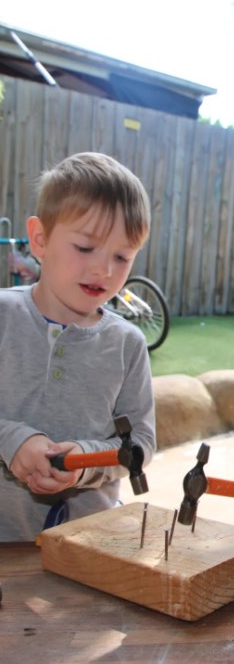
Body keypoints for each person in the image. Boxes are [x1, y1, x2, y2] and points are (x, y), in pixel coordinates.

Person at [0, 152, 156, 541]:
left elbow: (141, 443)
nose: (104, 269)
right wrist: (12, 440)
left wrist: (84, 461)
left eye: (122, 256)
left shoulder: (128, 344)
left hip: (90, 546)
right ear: (40, 239)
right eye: (86, 248)